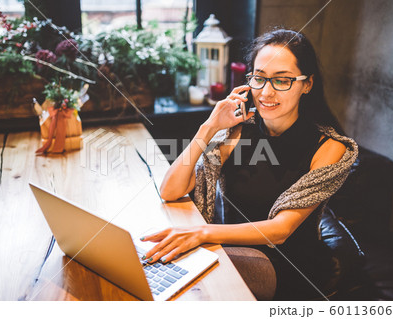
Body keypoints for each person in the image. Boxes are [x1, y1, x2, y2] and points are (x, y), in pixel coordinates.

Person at [140, 29, 358, 300]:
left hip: (289, 269)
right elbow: (171, 190)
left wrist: (201, 233)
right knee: (155, 264)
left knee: (171, 269)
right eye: (259, 77)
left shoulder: (330, 147)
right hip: (230, 249)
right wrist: (208, 127)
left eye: (282, 81)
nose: (266, 92)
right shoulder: (239, 131)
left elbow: (280, 230)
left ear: (307, 84)